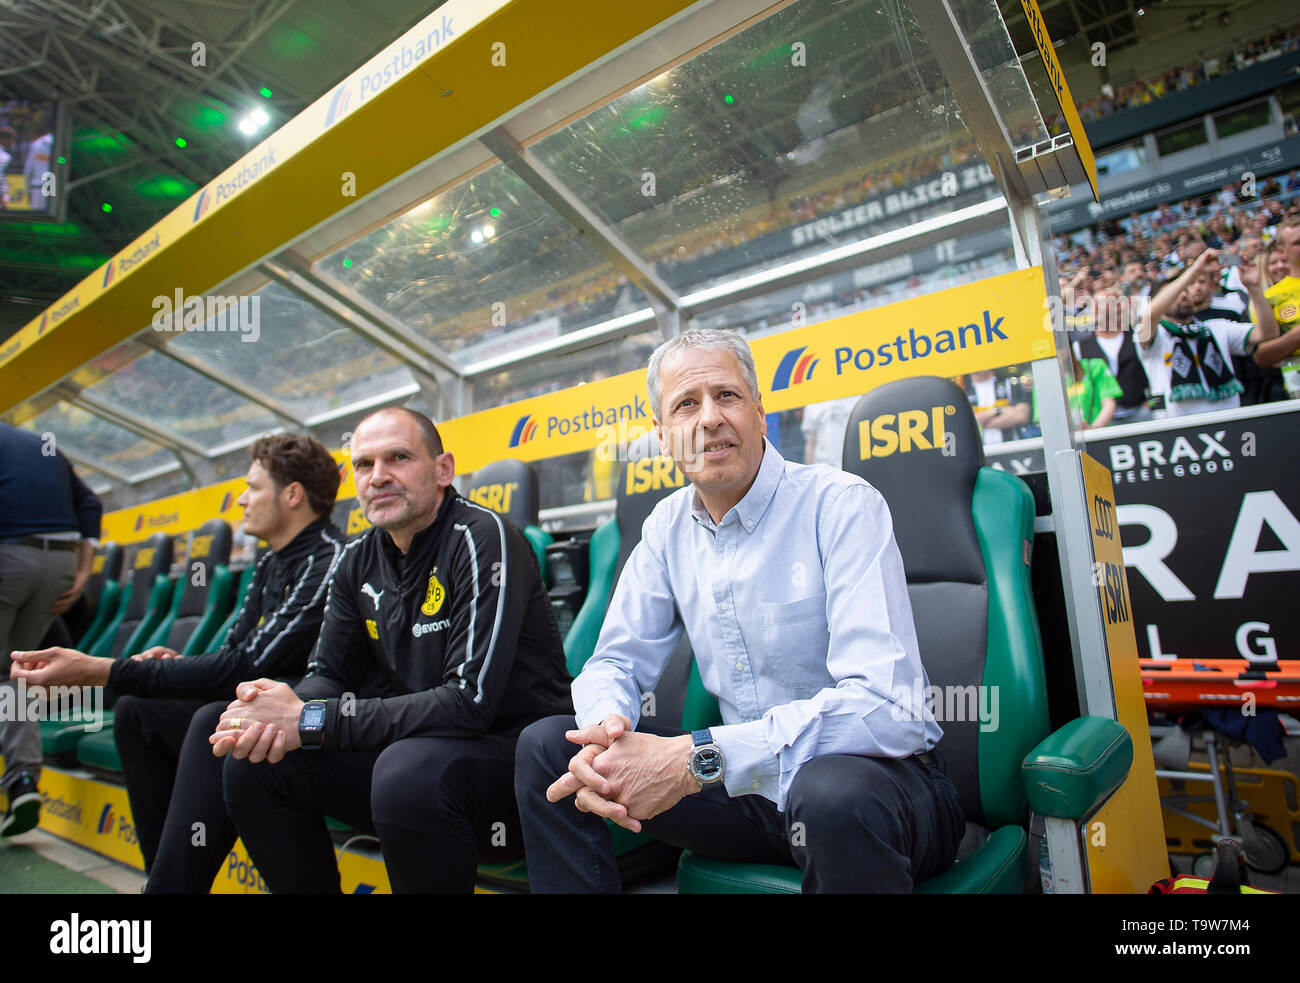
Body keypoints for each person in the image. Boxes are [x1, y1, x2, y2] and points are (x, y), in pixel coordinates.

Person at [513, 329, 963, 893]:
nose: (709, 419)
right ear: (663, 437)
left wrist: (697, 756)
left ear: (759, 414)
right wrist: (608, 735)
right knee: (550, 748)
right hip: (749, 795)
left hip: (883, 792)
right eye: (685, 405)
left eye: (726, 396)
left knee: (828, 793)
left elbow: (885, 706)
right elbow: (614, 665)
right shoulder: (665, 529)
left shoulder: (842, 505)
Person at [210, 407, 571, 893]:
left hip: (516, 774)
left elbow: (468, 704)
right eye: (364, 465)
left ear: (443, 469)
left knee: (405, 771)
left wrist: (313, 720)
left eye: (398, 458)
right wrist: (278, 707)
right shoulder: (356, 558)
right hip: (415, 762)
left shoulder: (484, 537)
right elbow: (329, 674)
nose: (378, 477)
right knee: (256, 760)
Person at [11, 434, 345, 890]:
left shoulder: (329, 557)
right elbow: (235, 656)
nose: (241, 500)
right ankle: (164, 880)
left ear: (292, 494)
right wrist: (176, 665)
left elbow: (246, 667)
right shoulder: (270, 562)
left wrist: (104, 669)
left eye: (252, 487)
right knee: (139, 715)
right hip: (256, 712)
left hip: (315, 725)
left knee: (216, 717)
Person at [0, 424, 101, 837]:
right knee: (12, 670)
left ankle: (20, 777)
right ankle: (23, 779)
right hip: (58, 565)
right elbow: (90, 504)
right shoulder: (39, 444)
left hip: (7, 557)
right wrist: (82, 571)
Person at [1137, 247, 1279, 417]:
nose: (1182, 295)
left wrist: (1254, 289)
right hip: (1176, 428)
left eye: (1185, 290)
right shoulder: (1153, 336)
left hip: (1229, 419)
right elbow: (1150, 314)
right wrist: (1195, 269)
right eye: (1175, 292)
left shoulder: (1216, 328)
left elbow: (1267, 333)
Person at [1252, 211, 1300, 398]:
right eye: (1297, 243)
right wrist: (1295, 337)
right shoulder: (1272, 297)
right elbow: (1261, 356)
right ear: (1281, 250)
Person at [962, 368, 1030, 444]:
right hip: (981, 453)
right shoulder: (961, 392)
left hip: (1012, 449)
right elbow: (962, 425)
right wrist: (997, 411)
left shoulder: (1008, 383)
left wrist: (979, 423)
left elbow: (1022, 415)